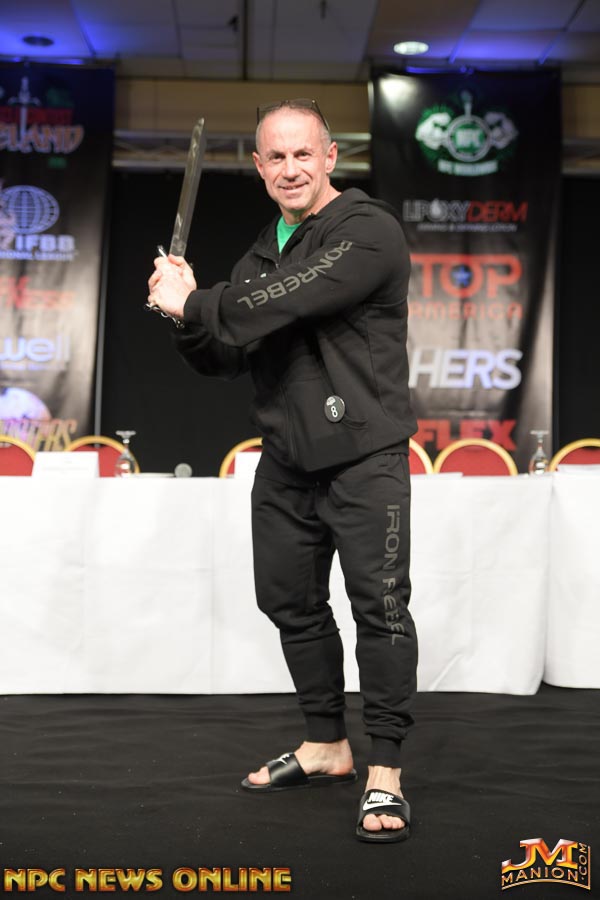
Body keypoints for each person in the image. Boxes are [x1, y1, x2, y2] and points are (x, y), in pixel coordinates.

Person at [147, 98, 418, 843]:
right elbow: (223, 355)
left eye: (305, 153)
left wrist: (200, 302)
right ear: (259, 167)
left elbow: (291, 298)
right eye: (277, 156)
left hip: (364, 456)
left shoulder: (366, 230)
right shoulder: (260, 252)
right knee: (290, 604)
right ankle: (327, 744)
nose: (291, 168)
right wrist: (182, 316)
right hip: (287, 460)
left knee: (381, 609)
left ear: (331, 157)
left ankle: (386, 769)